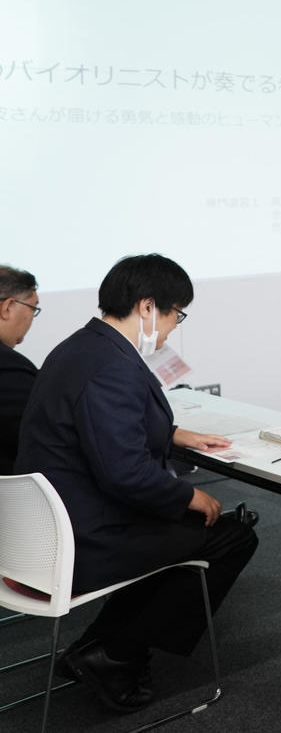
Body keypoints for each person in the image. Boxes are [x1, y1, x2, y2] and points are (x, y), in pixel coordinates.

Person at [15, 255, 259, 713]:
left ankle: (98, 646)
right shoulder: (114, 366)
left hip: (43, 531)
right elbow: (125, 473)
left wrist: (173, 435)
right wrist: (189, 495)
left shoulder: (80, 348)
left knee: (191, 532)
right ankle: (116, 655)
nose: (171, 330)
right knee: (229, 536)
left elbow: (97, 429)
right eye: (175, 315)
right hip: (85, 538)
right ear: (147, 307)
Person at [0, 264, 41, 474]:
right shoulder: (11, 369)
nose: (32, 318)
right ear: (7, 307)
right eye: (33, 309)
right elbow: (40, 437)